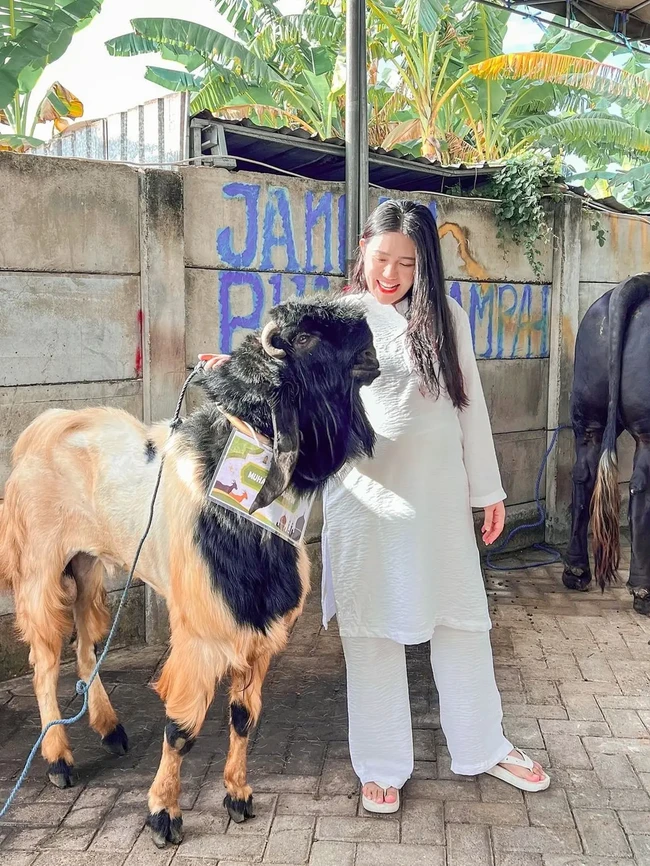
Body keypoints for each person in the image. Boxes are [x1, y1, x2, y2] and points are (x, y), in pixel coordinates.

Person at [200, 199, 550, 813]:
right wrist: (234, 370)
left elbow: (470, 408)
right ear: (363, 248)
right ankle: (382, 763)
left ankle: (484, 743)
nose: (390, 273)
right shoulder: (335, 319)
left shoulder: (447, 318)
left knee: (462, 623)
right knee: (372, 634)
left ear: (425, 267)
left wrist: (488, 491)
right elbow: (283, 380)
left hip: (439, 498)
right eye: (381, 257)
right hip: (365, 501)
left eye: (407, 263)